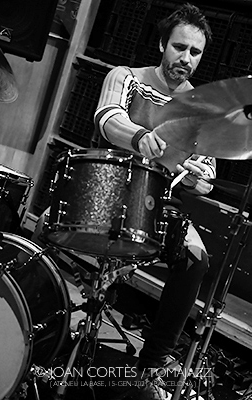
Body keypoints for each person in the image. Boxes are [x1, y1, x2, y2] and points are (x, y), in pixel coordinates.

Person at [93, 4, 216, 399]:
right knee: (49, 224)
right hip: (109, 188)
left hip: (159, 203)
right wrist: (139, 137)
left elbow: (208, 178)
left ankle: (152, 363)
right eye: (179, 47)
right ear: (163, 43)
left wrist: (198, 179)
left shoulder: (202, 107)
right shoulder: (126, 76)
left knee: (197, 259)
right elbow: (106, 117)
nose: (186, 59)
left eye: (195, 52)